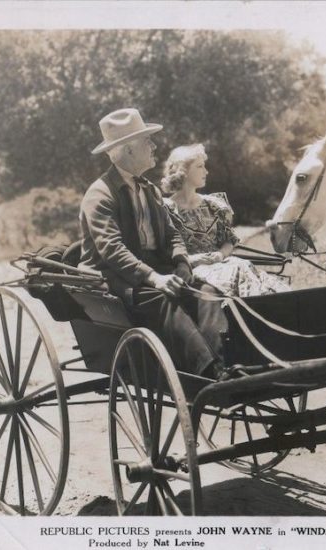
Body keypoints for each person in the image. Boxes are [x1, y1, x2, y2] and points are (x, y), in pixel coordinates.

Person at [78, 108, 227, 379]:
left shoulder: (149, 189)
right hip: (115, 279)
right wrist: (154, 278)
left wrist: (181, 262)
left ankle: (223, 361)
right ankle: (210, 371)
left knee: (206, 291)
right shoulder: (100, 195)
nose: (155, 146)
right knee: (163, 299)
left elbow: (171, 234)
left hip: (154, 270)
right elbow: (112, 250)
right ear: (129, 150)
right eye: (147, 142)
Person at [161, 144, 290, 297]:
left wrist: (220, 255)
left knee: (243, 267)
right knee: (233, 271)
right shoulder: (165, 209)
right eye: (200, 166)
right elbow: (163, 252)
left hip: (223, 263)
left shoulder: (214, 205)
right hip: (192, 271)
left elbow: (229, 241)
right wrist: (191, 259)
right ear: (184, 171)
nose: (206, 171)